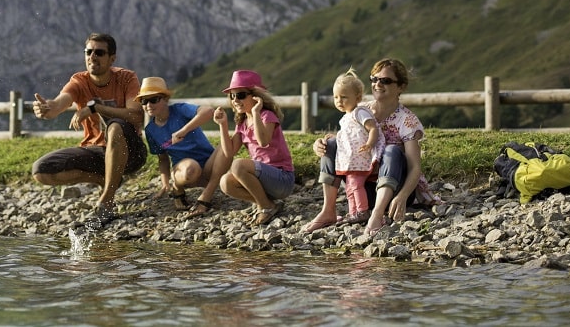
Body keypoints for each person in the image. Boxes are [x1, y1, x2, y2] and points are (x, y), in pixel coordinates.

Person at [303, 58, 442, 237]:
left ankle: (377, 215)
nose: (377, 84)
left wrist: (402, 197)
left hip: (396, 193)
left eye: (385, 80)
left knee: (391, 151)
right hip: (365, 187)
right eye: (374, 79)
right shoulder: (360, 109)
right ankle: (328, 211)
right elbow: (346, 140)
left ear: (401, 87)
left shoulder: (407, 120)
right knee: (331, 143)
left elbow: (415, 168)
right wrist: (320, 145)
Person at [30, 33, 147, 227]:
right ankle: (108, 181)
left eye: (99, 53)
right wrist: (46, 109)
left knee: (116, 127)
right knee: (40, 171)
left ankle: (107, 201)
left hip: (131, 152)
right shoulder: (79, 81)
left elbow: (136, 116)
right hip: (97, 151)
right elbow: (58, 104)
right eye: (88, 52)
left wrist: (96, 108)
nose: (92, 57)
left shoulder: (127, 78)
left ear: (112, 58)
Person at [213, 70, 296, 225]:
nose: (235, 100)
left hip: (282, 179)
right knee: (225, 182)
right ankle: (266, 204)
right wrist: (223, 125)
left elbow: (263, 141)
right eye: (232, 96)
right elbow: (229, 152)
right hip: (263, 179)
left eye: (241, 95)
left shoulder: (266, 116)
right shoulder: (242, 123)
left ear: (256, 96)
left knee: (238, 165)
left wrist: (256, 112)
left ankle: (265, 206)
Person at [139, 76, 232, 216]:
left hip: (209, 164)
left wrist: (184, 130)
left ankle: (206, 196)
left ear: (165, 99)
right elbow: (162, 158)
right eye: (144, 101)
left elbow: (208, 111)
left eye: (153, 100)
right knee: (191, 168)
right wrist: (166, 183)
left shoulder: (180, 110)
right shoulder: (150, 130)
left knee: (228, 144)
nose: (148, 105)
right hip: (185, 170)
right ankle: (178, 188)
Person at [331, 68, 384, 224]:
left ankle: (362, 211)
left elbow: (373, 128)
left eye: (344, 97)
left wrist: (369, 143)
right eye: (336, 97)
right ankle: (353, 212)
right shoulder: (345, 117)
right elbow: (349, 135)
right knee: (349, 187)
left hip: (361, 158)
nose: (339, 101)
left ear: (358, 97)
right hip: (351, 159)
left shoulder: (360, 112)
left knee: (355, 184)